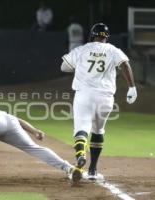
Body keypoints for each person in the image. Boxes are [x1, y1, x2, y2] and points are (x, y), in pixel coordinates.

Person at [60, 23, 137, 180]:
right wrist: (132, 88)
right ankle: (93, 170)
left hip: (83, 95)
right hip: (105, 97)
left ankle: (81, 155)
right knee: (98, 130)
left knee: (81, 128)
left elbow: (64, 67)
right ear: (106, 37)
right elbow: (125, 65)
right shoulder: (113, 50)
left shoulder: (82, 49)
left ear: (92, 34)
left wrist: (79, 67)